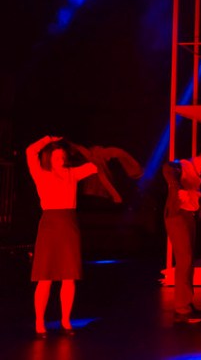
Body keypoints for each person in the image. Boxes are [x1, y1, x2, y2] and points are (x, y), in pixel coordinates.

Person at [26, 135, 97, 338]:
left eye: (63, 157)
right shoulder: (41, 174)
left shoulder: (72, 173)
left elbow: (94, 165)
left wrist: (82, 148)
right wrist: (47, 139)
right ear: (49, 158)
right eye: (56, 157)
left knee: (69, 276)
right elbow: (30, 152)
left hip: (69, 225)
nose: (60, 160)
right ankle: (39, 322)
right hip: (49, 225)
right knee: (45, 278)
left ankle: (66, 320)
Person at [163, 144, 201, 324]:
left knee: (189, 261)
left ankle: (187, 304)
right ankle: (182, 309)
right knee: (185, 260)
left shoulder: (198, 173)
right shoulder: (183, 165)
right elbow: (168, 168)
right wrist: (178, 188)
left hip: (189, 216)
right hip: (178, 216)